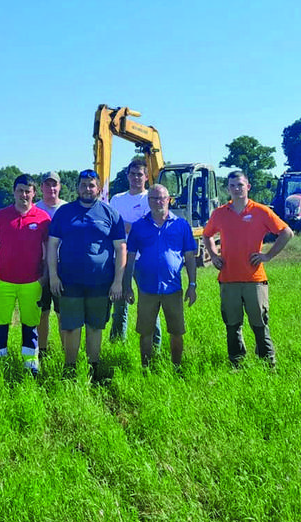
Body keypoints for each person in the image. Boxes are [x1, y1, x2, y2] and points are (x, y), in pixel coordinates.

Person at [202, 170, 293, 369]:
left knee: (259, 323)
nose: (236, 189)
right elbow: (207, 235)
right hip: (228, 278)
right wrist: (214, 255)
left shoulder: (260, 211)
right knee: (232, 324)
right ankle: (236, 363)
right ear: (228, 189)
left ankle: (268, 363)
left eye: (240, 185)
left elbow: (286, 232)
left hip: (254, 279)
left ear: (248, 187)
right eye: (232, 185)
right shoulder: (219, 213)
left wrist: (267, 255)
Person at [47, 169, 126, 379]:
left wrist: (118, 282)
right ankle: (70, 369)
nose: (87, 189)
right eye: (83, 185)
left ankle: (94, 368)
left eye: (91, 185)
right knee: (71, 327)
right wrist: (53, 276)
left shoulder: (110, 214)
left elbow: (121, 249)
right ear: (77, 188)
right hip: (69, 281)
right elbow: (52, 245)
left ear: (99, 188)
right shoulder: (64, 213)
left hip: (101, 282)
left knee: (95, 326)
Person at [123, 184, 197, 369]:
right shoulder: (139, 226)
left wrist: (193, 284)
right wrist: (127, 286)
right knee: (145, 331)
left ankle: (176, 366)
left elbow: (189, 256)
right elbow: (130, 258)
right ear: (148, 201)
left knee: (177, 331)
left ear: (169, 199)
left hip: (173, 288)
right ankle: (146, 368)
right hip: (147, 288)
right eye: (154, 198)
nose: (158, 202)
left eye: (162, 198)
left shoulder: (181, 225)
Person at [0, 174, 50, 374]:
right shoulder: (1, 216)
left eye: (28, 191)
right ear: (13, 192)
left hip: (32, 282)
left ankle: (31, 364)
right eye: (20, 190)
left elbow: (49, 249)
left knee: (30, 324)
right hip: (4, 280)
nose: (24, 195)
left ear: (34, 193)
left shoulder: (43, 218)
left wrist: (44, 276)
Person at [109, 158, 161, 346]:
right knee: (119, 306)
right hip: (120, 259)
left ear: (146, 177)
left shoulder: (151, 199)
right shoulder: (117, 199)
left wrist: (125, 225)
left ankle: (154, 348)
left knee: (148, 306)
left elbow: (148, 228)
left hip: (143, 260)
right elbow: (110, 226)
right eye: (132, 174)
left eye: (140, 174)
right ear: (127, 176)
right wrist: (130, 226)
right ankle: (116, 346)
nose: (136, 178)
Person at [34, 171, 67, 357]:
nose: (51, 188)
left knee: (63, 312)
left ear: (59, 187)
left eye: (54, 185)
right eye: (47, 185)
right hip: (39, 265)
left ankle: (66, 350)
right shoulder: (35, 209)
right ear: (41, 188)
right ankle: (42, 351)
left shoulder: (67, 209)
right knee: (43, 311)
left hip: (64, 265)